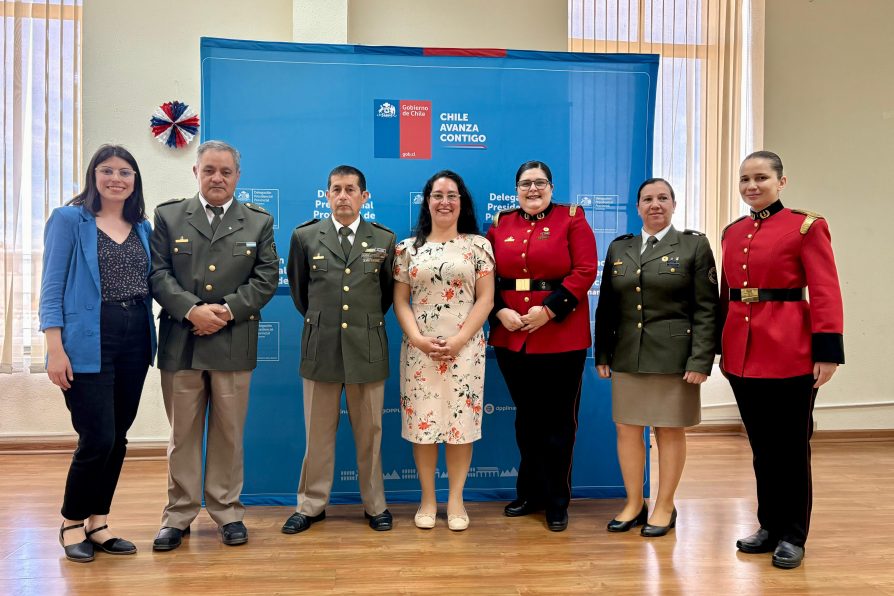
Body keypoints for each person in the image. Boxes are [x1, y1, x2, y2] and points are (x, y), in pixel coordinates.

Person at [150, 140, 279, 551]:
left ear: (237, 176)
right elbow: (158, 274)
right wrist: (192, 311)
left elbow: (265, 279)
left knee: (228, 433)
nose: (217, 178)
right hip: (181, 344)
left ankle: (227, 512)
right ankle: (179, 515)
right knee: (182, 435)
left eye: (225, 171)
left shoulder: (258, 221)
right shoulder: (169, 216)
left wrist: (223, 311)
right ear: (196, 173)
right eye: (209, 170)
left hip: (231, 342)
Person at [721, 150, 844, 569]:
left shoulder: (806, 227)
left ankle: (793, 534)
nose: (752, 186)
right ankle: (769, 525)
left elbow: (825, 290)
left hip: (790, 351)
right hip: (742, 353)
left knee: (791, 449)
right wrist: (721, 346)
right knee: (761, 448)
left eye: (760, 178)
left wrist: (828, 353)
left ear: (781, 182)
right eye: (744, 180)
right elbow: (728, 294)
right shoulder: (733, 232)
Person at [39, 144, 156, 562]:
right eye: (107, 171)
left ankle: (98, 522)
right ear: (93, 176)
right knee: (97, 436)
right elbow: (51, 288)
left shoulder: (142, 226)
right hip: (87, 340)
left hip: (136, 339)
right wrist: (54, 348)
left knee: (118, 438)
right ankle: (71, 522)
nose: (116, 179)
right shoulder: (70, 219)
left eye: (126, 172)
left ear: (134, 181)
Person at [594, 178, 719, 537]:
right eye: (647, 199)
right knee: (627, 428)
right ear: (637, 207)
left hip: (674, 356)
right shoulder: (621, 248)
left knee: (668, 428)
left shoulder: (694, 246)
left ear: (674, 205)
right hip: (628, 353)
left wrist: (700, 361)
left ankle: (665, 504)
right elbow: (607, 308)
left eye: (663, 198)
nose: (655, 205)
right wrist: (603, 351)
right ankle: (635, 502)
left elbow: (707, 308)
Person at [282, 165, 396, 534]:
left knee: (371, 433)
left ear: (365, 197)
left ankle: (375, 505)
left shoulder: (384, 239)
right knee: (317, 434)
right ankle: (311, 505)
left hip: (366, 347)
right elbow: (301, 295)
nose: (343, 196)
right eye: (336, 189)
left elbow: (386, 297)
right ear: (327, 195)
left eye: (351, 190)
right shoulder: (305, 237)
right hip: (321, 347)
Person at [487, 160, 597, 532]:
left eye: (540, 183)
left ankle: (556, 500)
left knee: (558, 423)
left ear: (551, 186)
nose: (532, 190)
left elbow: (584, 271)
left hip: (560, 337)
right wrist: (499, 311)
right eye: (525, 184)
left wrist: (548, 312)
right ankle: (529, 492)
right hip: (511, 336)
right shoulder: (500, 225)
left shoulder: (572, 218)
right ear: (515, 189)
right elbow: (487, 278)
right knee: (527, 420)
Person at [392, 170, 495, 531]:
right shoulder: (406, 249)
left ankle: (455, 500)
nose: (445, 201)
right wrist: (419, 339)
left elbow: (486, 300)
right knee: (423, 426)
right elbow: (400, 302)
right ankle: (427, 499)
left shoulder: (479, 246)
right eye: (438, 195)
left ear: (461, 202)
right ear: (427, 201)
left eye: (452, 195)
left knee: (460, 427)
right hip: (419, 351)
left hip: (464, 350)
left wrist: (460, 339)